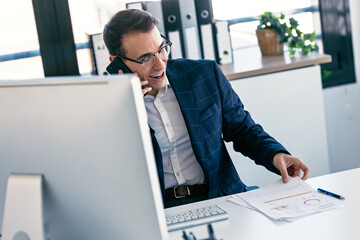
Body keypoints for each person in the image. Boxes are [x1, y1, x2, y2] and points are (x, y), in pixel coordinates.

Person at [103, 9, 310, 208]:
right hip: (159, 210)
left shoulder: (203, 75)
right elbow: (111, 172)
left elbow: (242, 130)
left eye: (161, 49)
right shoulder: (108, 107)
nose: (160, 64)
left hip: (220, 196)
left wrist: (276, 155)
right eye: (145, 58)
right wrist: (128, 113)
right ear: (116, 62)